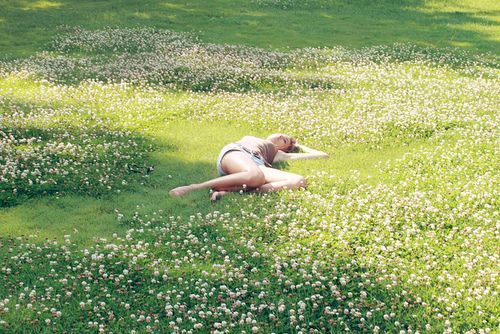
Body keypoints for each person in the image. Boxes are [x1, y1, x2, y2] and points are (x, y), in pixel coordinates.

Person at [169, 134, 328, 201]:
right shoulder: (252, 139)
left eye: (285, 141)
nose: (283, 137)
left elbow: (323, 156)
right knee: (256, 176)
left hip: (256, 166)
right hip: (237, 155)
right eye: (283, 134)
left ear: (283, 149)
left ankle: (228, 192)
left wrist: (300, 146)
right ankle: (195, 187)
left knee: (298, 181)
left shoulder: (278, 154)